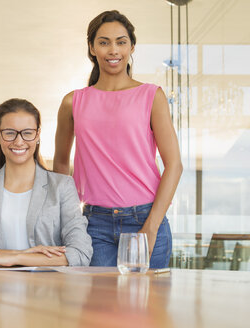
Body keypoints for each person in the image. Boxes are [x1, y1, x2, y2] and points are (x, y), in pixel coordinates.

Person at [53, 10, 183, 268]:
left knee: (148, 306)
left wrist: (151, 227)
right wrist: (70, 220)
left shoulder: (151, 96)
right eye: (104, 42)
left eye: (121, 42)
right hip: (93, 225)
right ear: (92, 48)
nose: (113, 50)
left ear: (131, 46)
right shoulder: (73, 102)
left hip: (145, 217)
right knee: (99, 308)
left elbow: (174, 165)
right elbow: (59, 166)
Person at [0, 98, 92, 267]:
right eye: (10, 133)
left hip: (47, 289)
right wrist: (15, 254)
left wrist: (16, 259)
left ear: (38, 135)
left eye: (27, 132)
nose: (19, 141)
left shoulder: (62, 186)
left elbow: (81, 252)